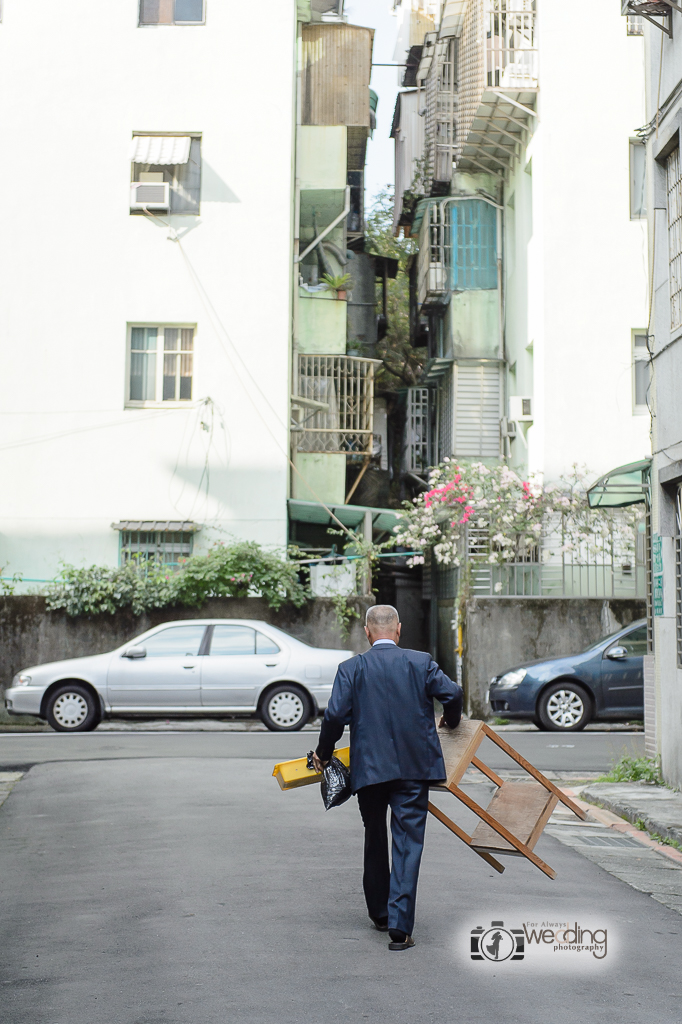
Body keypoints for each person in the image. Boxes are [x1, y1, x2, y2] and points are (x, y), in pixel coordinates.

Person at [312, 604, 463, 951]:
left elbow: (335, 715)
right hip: (414, 767)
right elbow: (452, 694)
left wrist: (323, 752)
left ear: (367, 632)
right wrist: (451, 722)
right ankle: (399, 926)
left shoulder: (352, 668)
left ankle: (380, 913)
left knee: (375, 835)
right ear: (398, 630)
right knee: (408, 841)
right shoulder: (420, 662)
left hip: (370, 769)